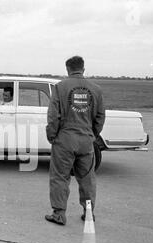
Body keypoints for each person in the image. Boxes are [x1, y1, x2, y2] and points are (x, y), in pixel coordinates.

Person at [45, 56, 105, 225]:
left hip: (64, 139)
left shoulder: (59, 88)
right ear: (83, 69)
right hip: (86, 140)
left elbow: (53, 116)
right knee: (87, 178)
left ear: (68, 70)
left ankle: (59, 213)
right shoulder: (96, 89)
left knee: (60, 177)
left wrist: (52, 135)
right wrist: (91, 134)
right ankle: (88, 213)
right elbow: (100, 117)